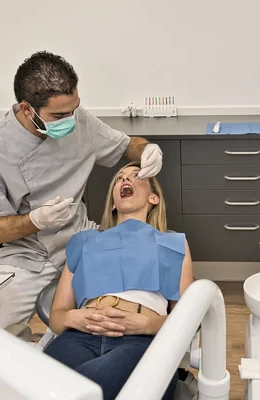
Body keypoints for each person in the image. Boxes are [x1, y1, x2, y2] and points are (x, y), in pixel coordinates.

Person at [0, 51, 164, 329]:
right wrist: (34, 221)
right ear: (27, 109)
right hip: (28, 256)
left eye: (74, 109)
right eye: (59, 115)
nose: (71, 119)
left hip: (84, 240)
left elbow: (125, 146)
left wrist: (147, 149)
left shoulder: (78, 120)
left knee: (122, 313)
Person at [44, 162, 194, 400]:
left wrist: (145, 325)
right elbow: (57, 317)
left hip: (141, 340)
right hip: (79, 336)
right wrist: (74, 317)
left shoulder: (173, 244)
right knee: (44, 382)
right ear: (114, 202)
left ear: (153, 198)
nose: (126, 180)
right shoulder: (83, 242)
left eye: (136, 176)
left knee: (73, 389)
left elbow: (186, 320)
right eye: (119, 178)